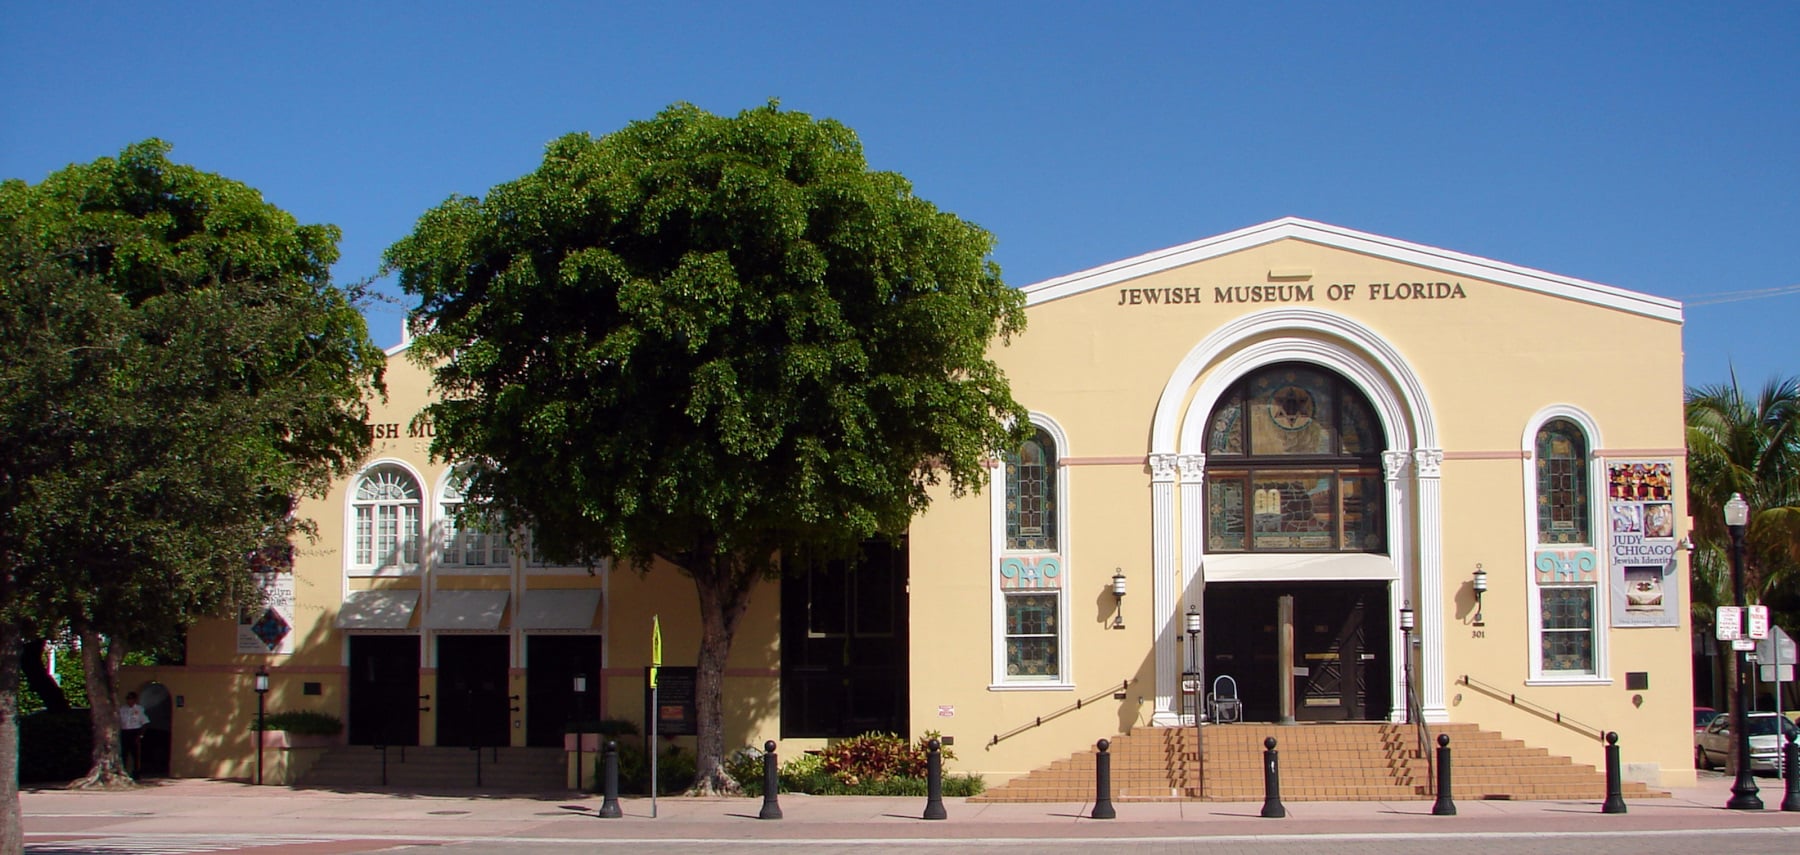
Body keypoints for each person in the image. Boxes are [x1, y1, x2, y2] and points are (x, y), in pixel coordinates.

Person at [119, 691, 148, 777]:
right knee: (124, 753)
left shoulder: (139, 709)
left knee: (135, 754)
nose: (129, 701)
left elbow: (145, 723)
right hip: (125, 731)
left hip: (135, 731)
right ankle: (123, 772)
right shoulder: (122, 709)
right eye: (128, 699)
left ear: (135, 700)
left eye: (131, 699)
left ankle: (136, 773)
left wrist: (140, 735)